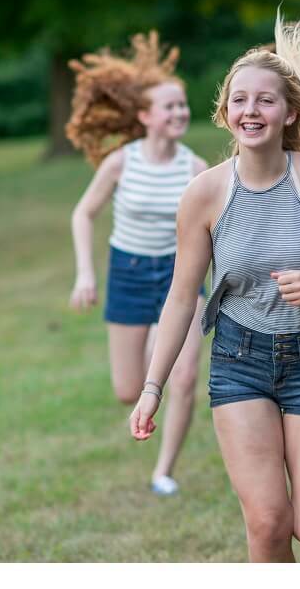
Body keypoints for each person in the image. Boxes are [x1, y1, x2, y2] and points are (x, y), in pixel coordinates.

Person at [129, 14, 300, 562]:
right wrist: (153, 387)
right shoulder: (203, 194)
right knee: (268, 523)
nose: (251, 111)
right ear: (225, 113)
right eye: (240, 100)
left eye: (265, 100)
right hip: (239, 359)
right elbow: (181, 296)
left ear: (289, 111)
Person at [67, 32, 208, 496]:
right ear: (145, 116)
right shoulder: (120, 163)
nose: (179, 113)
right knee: (129, 389)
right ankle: (149, 369)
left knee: (183, 375)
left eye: (183, 105)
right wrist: (86, 273)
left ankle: (163, 471)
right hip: (127, 273)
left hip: (178, 278)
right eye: (169, 107)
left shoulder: (196, 170)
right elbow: (83, 213)